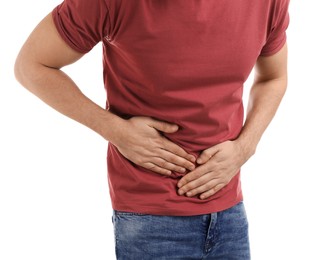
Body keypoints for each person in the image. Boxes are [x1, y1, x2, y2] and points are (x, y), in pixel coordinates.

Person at [14, 0, 290, 259]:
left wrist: (245, 147)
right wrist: (115, 130)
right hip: (149, 218)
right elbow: (32, 66)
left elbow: (273, 77)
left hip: (229, 211)